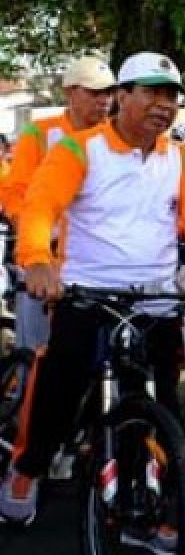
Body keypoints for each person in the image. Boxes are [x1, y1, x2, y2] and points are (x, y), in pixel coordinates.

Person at [0, 51, 185, 529]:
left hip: (155, 297)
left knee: (159, 402)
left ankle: (148, 505)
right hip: (87, 294)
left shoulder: (182, 158)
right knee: (59, 388)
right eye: (150, 92)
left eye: (171, 95)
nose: (163, 105)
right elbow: (41, 207)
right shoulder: (78, 149)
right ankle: (27, 467)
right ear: (122, 97)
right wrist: (39, 263)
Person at [0, 55, 117, 352]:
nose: (104, 100)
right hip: (44, 256)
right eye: (94, 92)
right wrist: (34, 236)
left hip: (97, 260)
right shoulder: (40, 133)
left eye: (108, 92)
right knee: (38, 349)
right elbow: (15, 192)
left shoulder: (114, 137)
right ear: (70, 92)